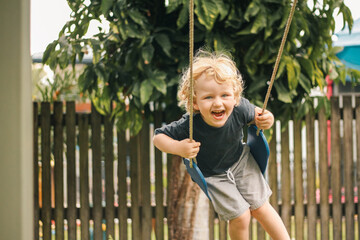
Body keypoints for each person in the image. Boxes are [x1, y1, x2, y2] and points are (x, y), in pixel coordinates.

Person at [153, 50, 290, 240]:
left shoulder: (240, 108)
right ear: (195, 102)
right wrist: (179, 148)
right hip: (213, 174)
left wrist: (268, 119)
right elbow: (158, 138)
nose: (218, 103)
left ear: (235, 97)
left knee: (260, 206)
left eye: (225, 95)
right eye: (208, 97)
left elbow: (262, 116)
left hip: (241, 162)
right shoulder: (190, 124)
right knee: (240, 216)